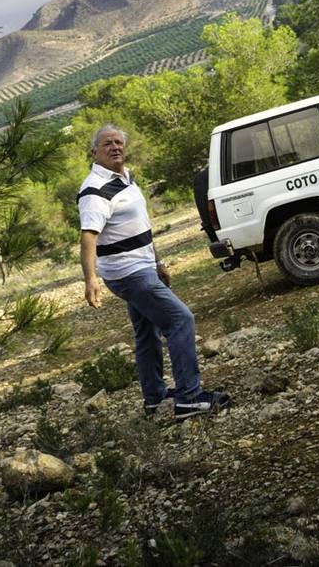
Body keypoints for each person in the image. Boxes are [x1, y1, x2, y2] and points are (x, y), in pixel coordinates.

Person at [77, 124, 230, 420]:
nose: (115, 147)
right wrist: (90, 279)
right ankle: (189, 398)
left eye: (119, 142)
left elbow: (142, 227)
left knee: (146, 332)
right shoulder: (94, 190)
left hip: (143, 266)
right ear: (94, 152)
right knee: (180, 319)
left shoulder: (126, 179)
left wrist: (157, 263)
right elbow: (88, 237)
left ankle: (154, 398)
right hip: (127, 273)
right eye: (107, 143)